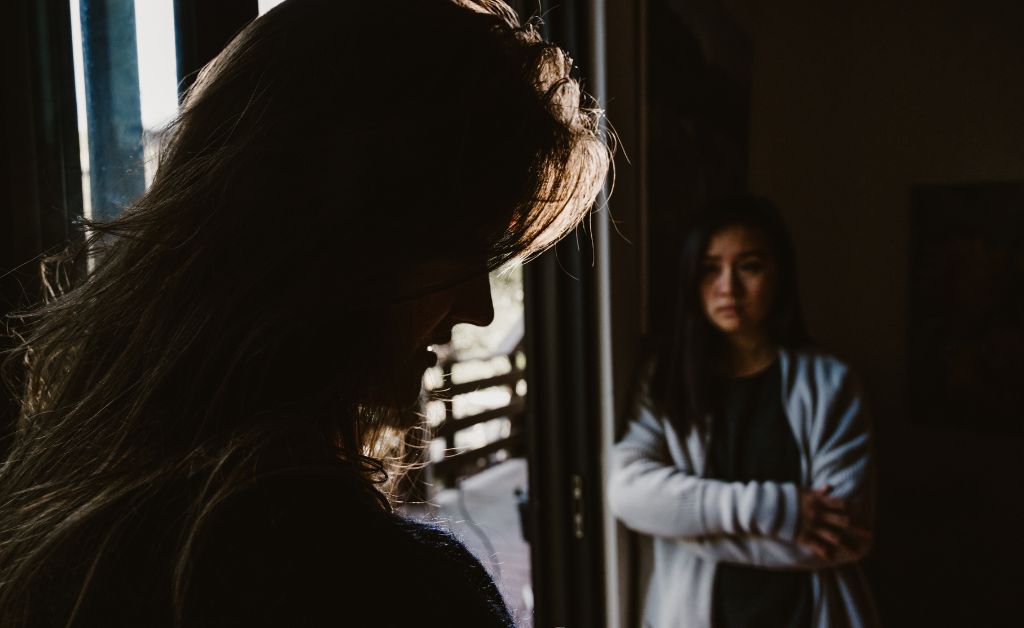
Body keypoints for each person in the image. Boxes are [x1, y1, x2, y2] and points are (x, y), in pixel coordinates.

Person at [0, 1, 610, 626]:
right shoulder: (369, 587)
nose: (478, 309)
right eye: (455, 250)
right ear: (334, 239)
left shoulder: (67, 503)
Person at [607, 197, 880, 628]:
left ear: (780, 274)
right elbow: (628, 493)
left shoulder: (832, 383)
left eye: (749, 267)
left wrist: (688, 526)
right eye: (710, 269)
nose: (728, 288)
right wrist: (783, 510)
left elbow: (844, 534)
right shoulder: (666, 380)